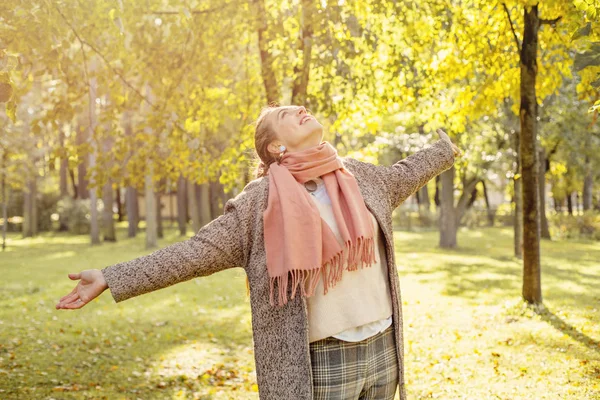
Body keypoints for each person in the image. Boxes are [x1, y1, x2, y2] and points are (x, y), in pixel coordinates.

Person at [56, 105, 461, 400]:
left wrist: (444, 151)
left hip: (383, 349)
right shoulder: (258, 205)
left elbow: (406, 173)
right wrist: (112, 276)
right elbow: (195, 252)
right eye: (287, 114)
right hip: (318, 364)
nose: (301, 109)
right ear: (276, 147)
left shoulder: (358, 176)